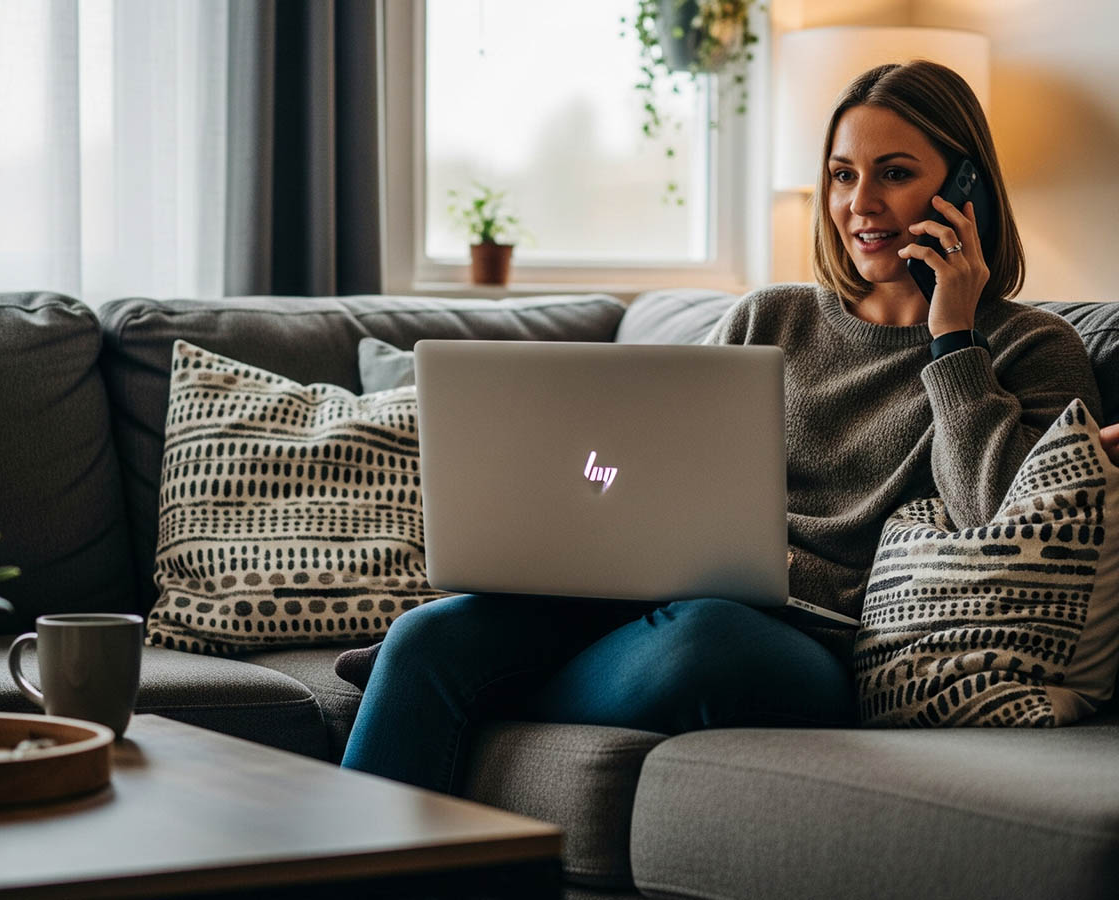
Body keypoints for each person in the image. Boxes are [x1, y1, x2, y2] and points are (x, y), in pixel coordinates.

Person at [338, 61, 1106, 793]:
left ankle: (465, 696)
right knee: (426, 639)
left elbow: (999, 523)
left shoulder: (1031, 348)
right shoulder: (771, 317)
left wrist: (953, 341)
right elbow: (649, 462)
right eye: (843, 174)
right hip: (670, 597)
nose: (860, 204)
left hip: (817, 645)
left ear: (966, 189)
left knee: (700, 645)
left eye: (895, 174)